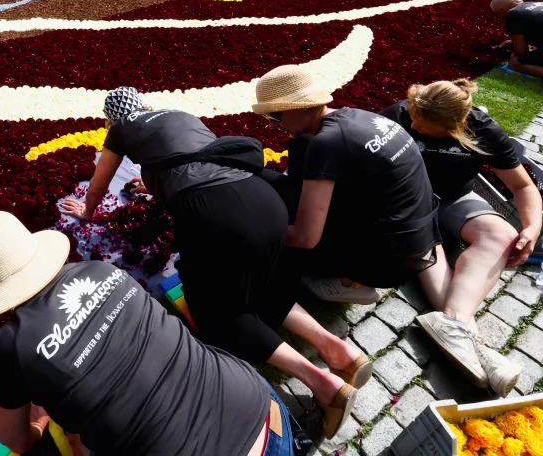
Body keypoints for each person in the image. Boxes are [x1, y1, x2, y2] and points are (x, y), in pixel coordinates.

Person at [60, 88, 365, 440]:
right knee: (259, 286)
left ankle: (324, 385)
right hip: (261, 199)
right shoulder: (179, 115)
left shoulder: (122, 129)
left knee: (219, 315)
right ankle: (337, 350)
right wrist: (154, 184)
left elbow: (100, 179)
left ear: (112, 118)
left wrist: (87, 208)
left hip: (219, 215)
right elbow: (200, 158)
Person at [0, 211, 298, 456]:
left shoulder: (13, 344)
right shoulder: (100, 270)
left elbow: (16, 440)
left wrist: (40, 423)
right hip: (266, 412)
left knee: (84, 438)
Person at [380, 80, 539, 395]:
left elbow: (522, 187)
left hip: (454, 199)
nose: (412, 124)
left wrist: (531, 228)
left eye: (423, 126)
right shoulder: (397, 115)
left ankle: (453, 325)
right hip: (407, 203)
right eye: (413, 116)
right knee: (426, 238)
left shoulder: (483, 130)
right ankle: (478, 347)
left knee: (503, 234)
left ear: (456, 127)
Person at [253, 65, 441, 305]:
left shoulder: (326, 143)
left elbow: (305, 237)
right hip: (415, 243)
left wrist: (252, 234)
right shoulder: (360, 116)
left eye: (275, 116)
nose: (271, 126)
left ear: (299, 107)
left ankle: (346, 282)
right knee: (287, 172)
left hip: (386, 263)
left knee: (271, 244)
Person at [491, 0, 543, 82]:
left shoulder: (513, 13)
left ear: (501, 11)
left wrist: (516, 47)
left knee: (514, 63)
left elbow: (520, 51)